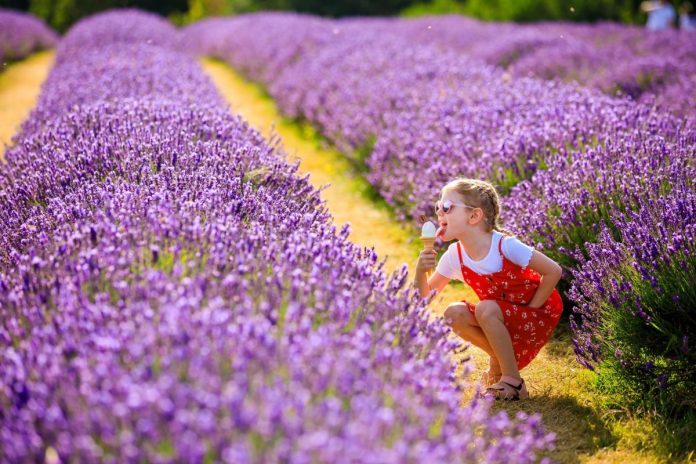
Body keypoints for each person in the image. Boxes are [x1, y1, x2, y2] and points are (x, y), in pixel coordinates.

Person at [414, 178, 563, 400]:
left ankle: (513, 381)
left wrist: (531, 310)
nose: (439, 213)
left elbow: (553, 270)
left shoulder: (505, 245)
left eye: (447, 207)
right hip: (498, 316)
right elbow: (424, 298)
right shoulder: (454, 255)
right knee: (453, 314)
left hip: (535, 314)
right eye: (438, 207)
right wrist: (419, 271)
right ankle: (500, 365)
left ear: (474, 216)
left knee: (485, 309)